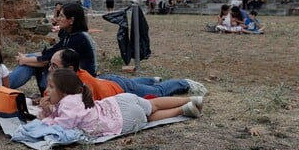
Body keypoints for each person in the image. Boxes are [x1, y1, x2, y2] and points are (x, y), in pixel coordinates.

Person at [37, 69, 203, 137]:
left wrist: (44, 117)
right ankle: (189, 100)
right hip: (120, 100)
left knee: (151, 117)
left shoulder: (66, 103)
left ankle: (182, 110)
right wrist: (49, 110)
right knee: (153, 105)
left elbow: (61, 126)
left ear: (65, 91)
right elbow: (66, 116)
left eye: (51, 87)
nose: (47, 91)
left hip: (123, 119)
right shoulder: (77, 97)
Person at [49, 48, 208, 100]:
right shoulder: (63, 79)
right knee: (135, 83)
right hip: (108, 81)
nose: (50, 69)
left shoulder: (83, 85)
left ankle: (185, 83)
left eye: (54, 66)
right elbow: (49, 95)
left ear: (69, 69)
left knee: (158, 93)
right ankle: (151, 79)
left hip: (121, 88)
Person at [11, 3, 97, 93]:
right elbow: (51, 51)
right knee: (31, 59)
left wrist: (24, 60)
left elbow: (48, 60)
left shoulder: (78, 38)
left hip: (81, 82)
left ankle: (4, 85)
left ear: (71, 20)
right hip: (71, 76)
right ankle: (4, 84)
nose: (58, 19)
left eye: (61, 16)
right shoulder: (70, 35)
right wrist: (26, 56)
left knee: (32, 64)